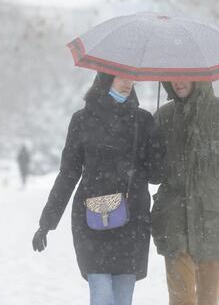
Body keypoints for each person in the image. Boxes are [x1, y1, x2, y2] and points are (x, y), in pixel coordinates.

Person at [32, 72, 165, 305]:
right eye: (120, 77)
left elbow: (156, 175)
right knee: (102, 296)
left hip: (132, 221)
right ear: (105, 80)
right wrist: (46, 223)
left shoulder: (143, 120)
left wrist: (157, 144)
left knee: (123, 298)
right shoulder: (82, 120)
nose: (127, 83)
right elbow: (68, 173)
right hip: (93, 217)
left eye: (130, 77)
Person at [151, 81, 219, 305]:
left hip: (213, 223)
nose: (178, 81)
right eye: (174, 75)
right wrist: (155, 163)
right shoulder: (163, 116)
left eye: (185, 75)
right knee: (181, 300)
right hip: (174, 222)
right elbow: (151, 172)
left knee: (209, 300)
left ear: (199, 77)